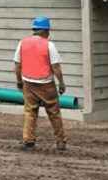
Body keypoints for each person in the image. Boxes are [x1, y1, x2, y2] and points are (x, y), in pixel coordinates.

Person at [14, 16, 68, 152]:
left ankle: (28, 141)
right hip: (46, 84)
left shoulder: (23, 43)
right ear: (44, 31)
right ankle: (60, 142)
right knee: (54, 113)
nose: (49, 34)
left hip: (28, 83)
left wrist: (19, 81)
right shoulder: (49, 45)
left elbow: (17, 64)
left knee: (30, 112)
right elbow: (55, 67)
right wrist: (61, 83)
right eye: (48, 31)